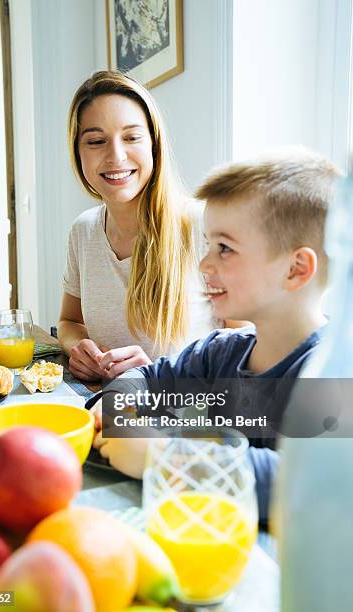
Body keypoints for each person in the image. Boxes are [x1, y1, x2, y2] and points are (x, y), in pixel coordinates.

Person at [92, 146, 341, 522]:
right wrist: (115, 411)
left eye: (225, 248)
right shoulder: (217, 353)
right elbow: (143, 378)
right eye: (208, 244)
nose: (205, 263)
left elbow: (304, 484)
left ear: (295, 269)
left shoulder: (330, 378)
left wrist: (167, 459)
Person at [58, 71, 217, 381]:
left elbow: (248, 348)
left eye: (131, 137)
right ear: (78, 153)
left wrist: (158, 375)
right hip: (106, 407)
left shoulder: (204, 225)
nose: (115, 156)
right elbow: (69, 322)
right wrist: (78, 346)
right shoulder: (83, 231)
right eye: (96, 141)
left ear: (154, 145)